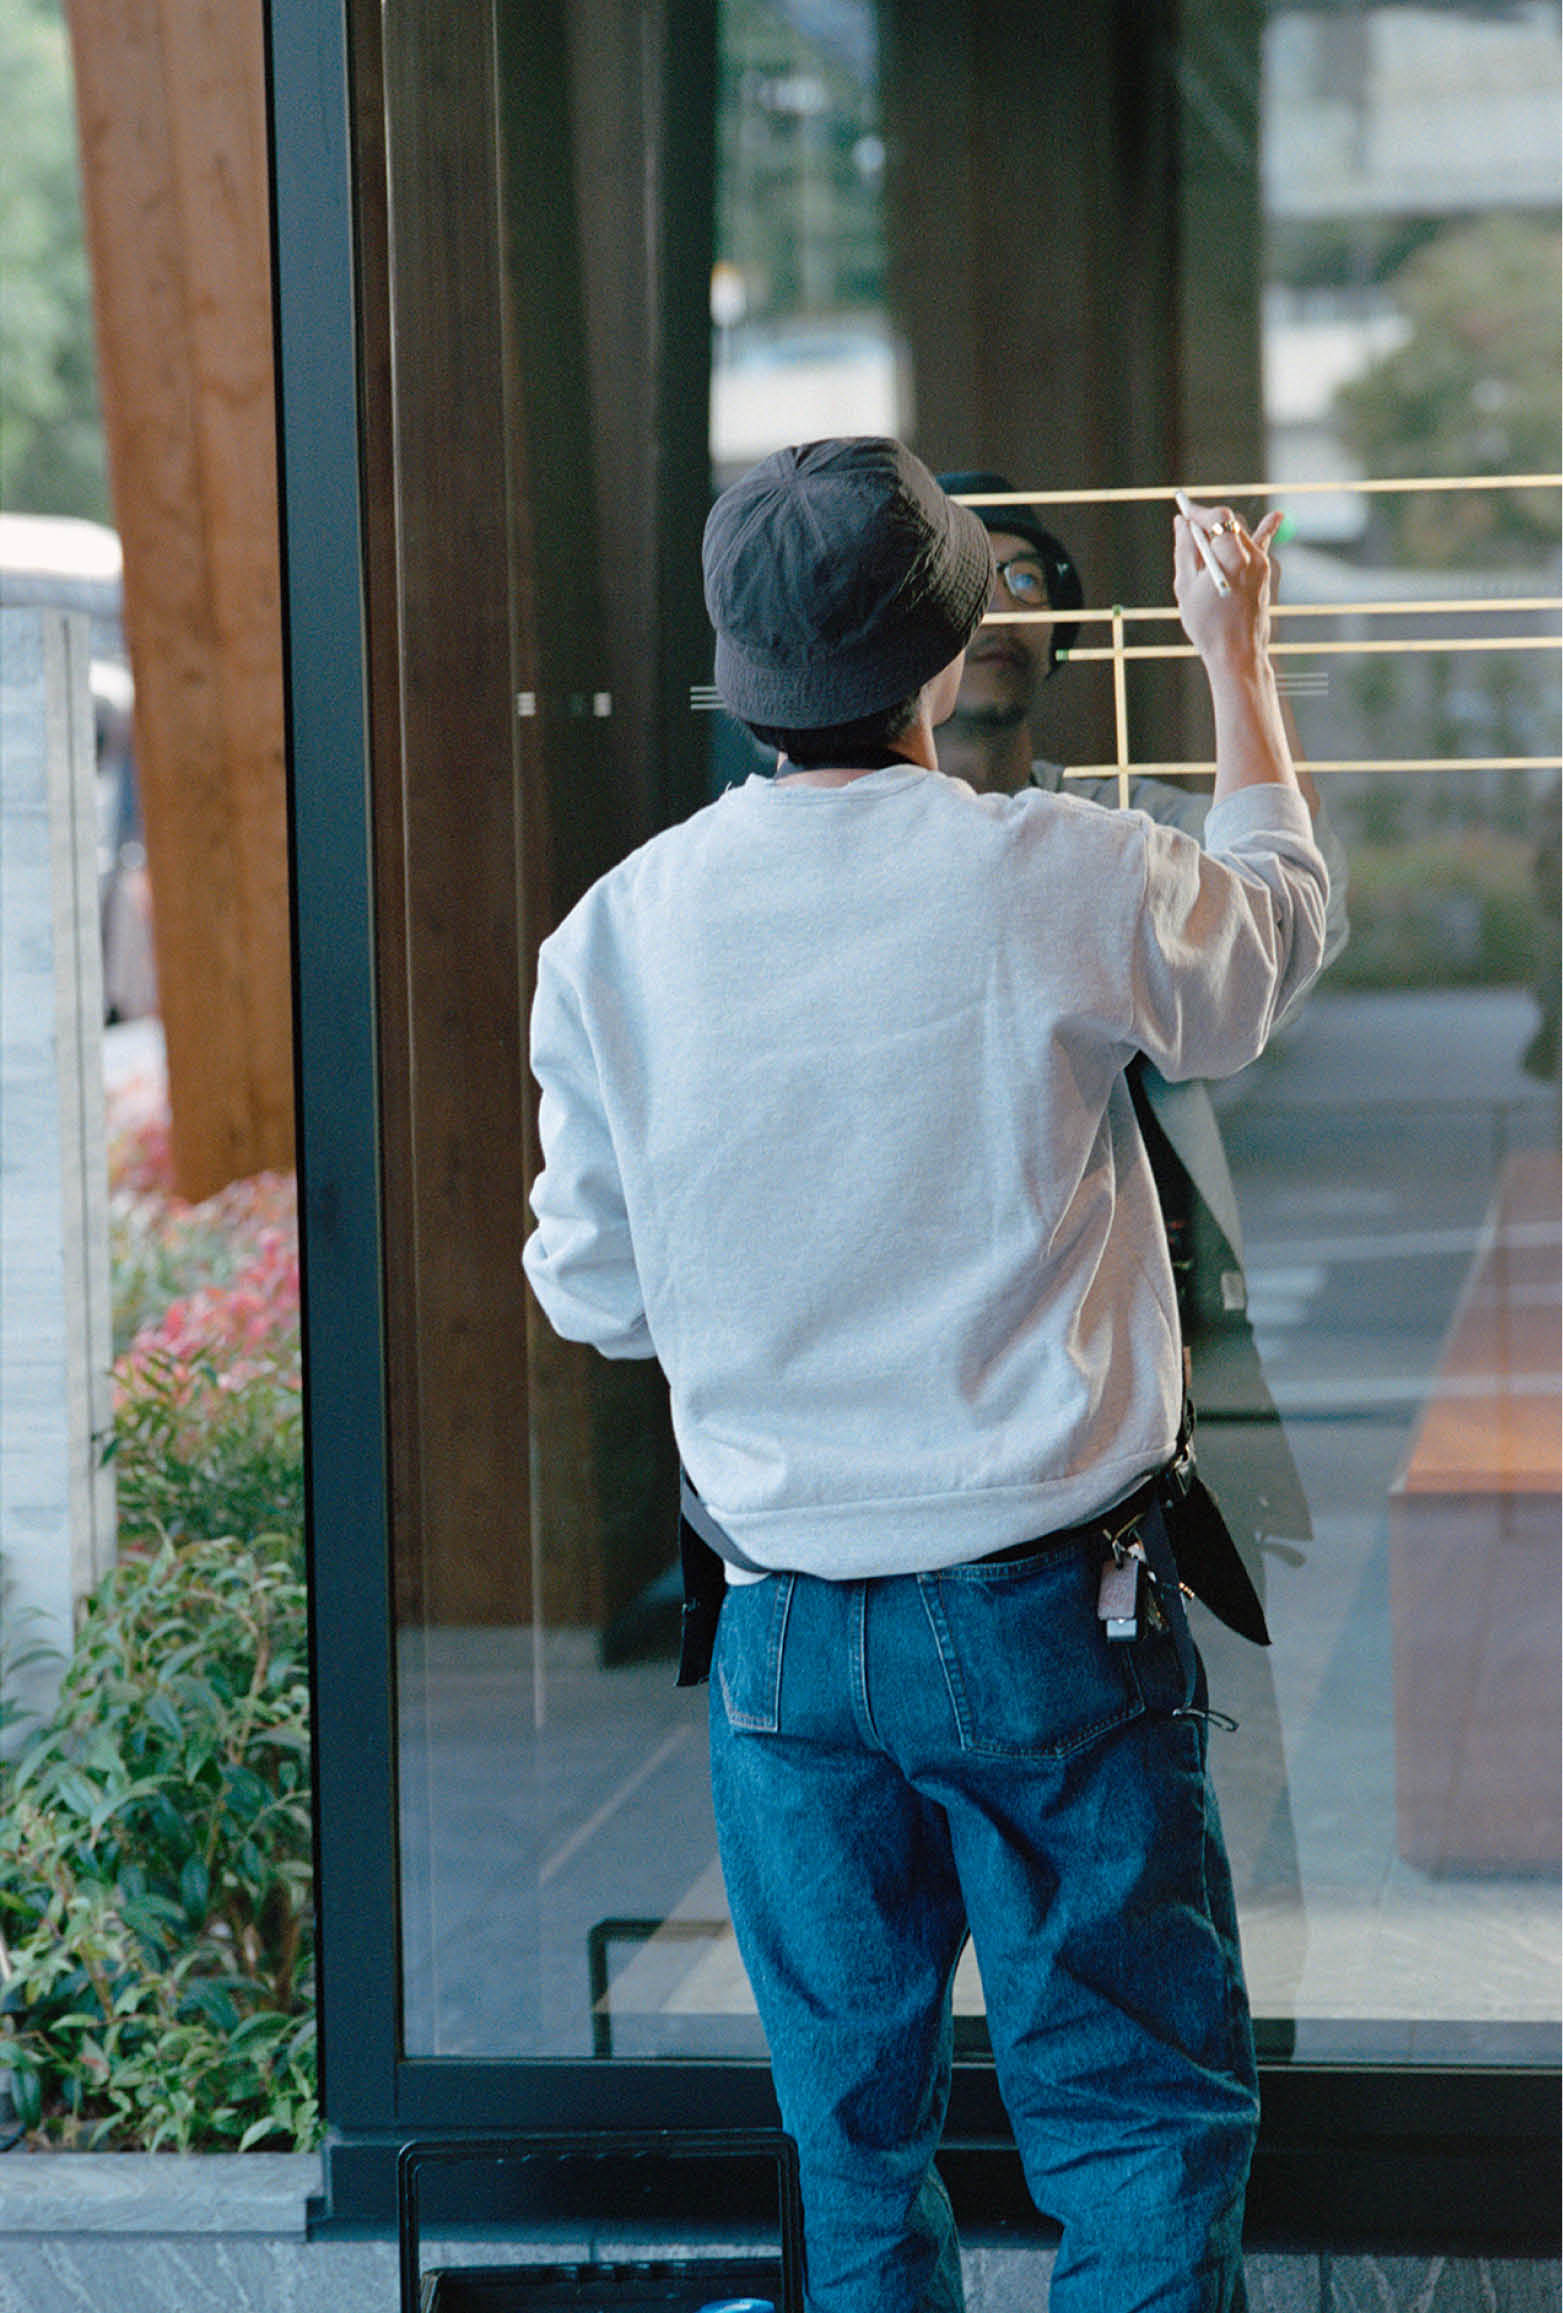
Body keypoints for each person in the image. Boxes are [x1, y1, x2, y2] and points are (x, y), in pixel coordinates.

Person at [523, 437, 1330, 2311]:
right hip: (1053, 1605)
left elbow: (592, 1289)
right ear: (951, 653)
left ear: (738, 668)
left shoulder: (613, 935)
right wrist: (1240, 657)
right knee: (1129, 2123)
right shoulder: (1051, 872)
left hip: (784, 1633)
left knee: (852, 2146)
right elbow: (1268, 949)